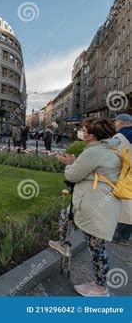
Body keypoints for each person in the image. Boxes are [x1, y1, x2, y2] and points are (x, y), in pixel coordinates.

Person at [50, 118, 122, 297]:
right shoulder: (109, 148)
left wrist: (69, 166)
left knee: (96, 247)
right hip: (97, 201)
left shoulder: (94, 151)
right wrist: (75, 161)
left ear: (91, 135)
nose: (80, 132)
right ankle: (63, 244)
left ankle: (100, 288)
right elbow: (92, 169)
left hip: (95, 205)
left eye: (83, 129)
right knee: (66, 214)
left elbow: (73, 175)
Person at [112, 114, 132, 245]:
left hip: (125, 174)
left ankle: (123, 236)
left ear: (121, 122)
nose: (115, 124)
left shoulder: (120, 137)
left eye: (116, 122)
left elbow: (113, 156)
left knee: (126, 206)